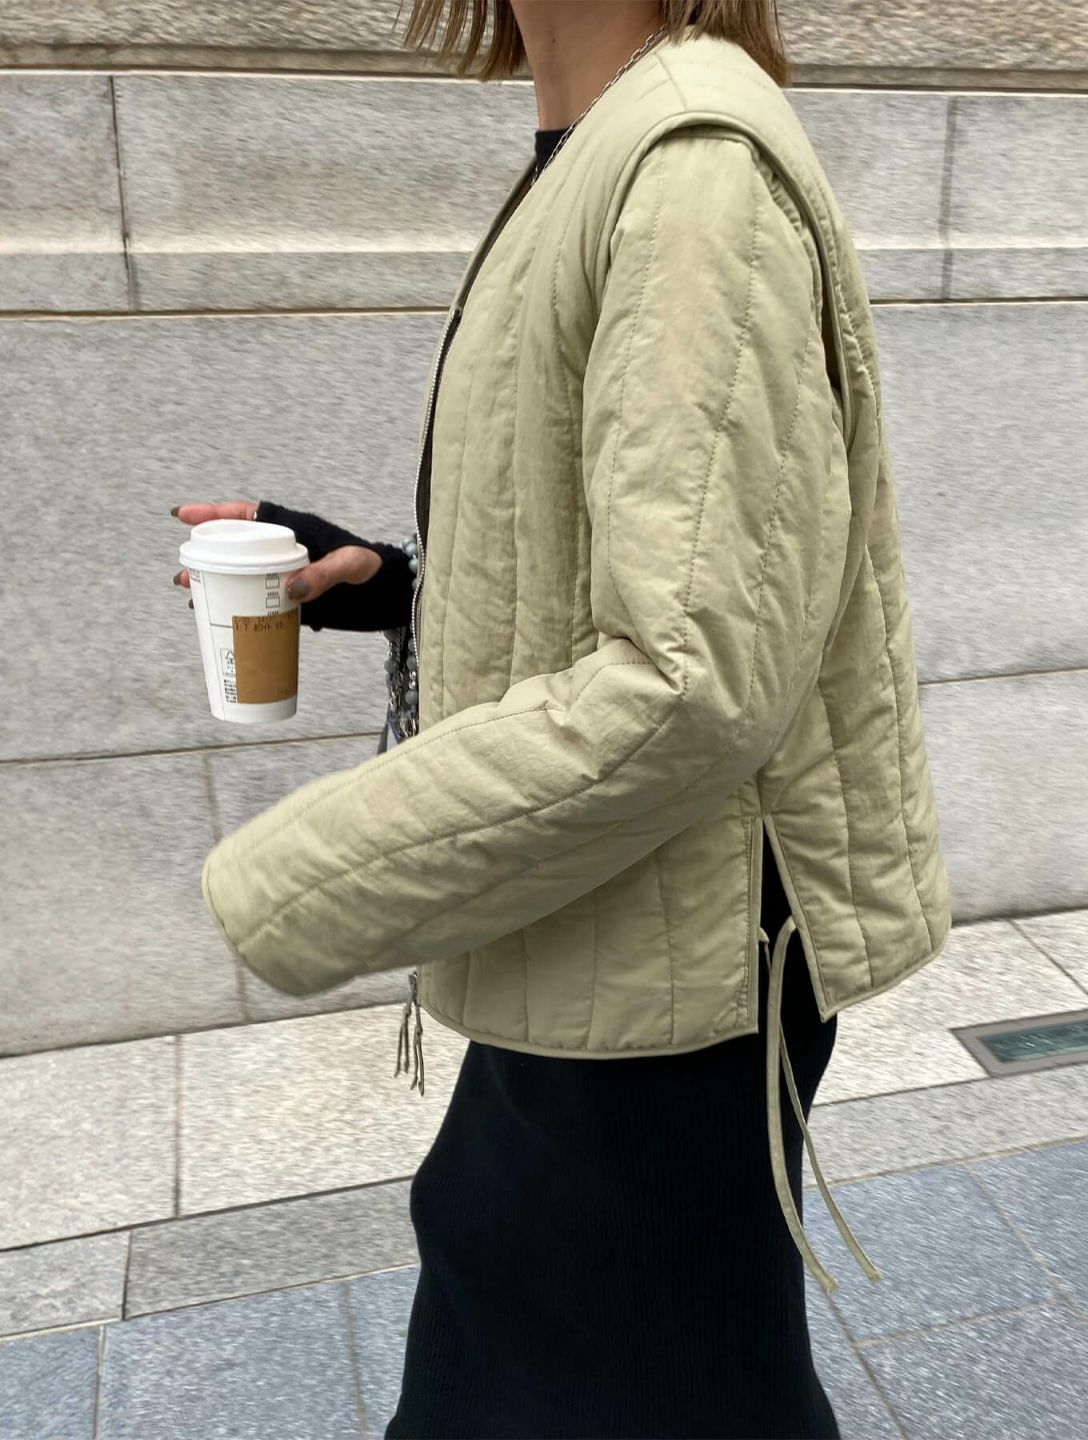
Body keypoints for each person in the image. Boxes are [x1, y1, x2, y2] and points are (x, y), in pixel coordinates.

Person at [178, 3, 951, 1436]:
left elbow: (686, 679)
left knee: (602, 1378)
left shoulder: (691, 166)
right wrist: (395, 587)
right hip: (619, 919)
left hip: (682, 956)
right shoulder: (610, 140)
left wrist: (289, 881)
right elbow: (642, 580)